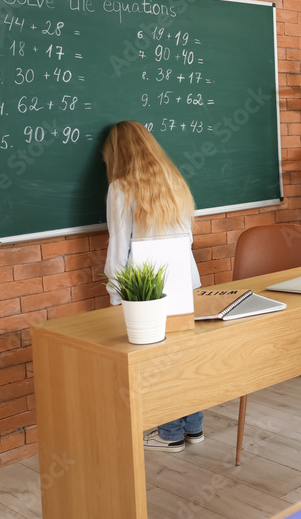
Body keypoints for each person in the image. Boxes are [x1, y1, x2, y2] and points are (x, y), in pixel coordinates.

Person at [103, 120, 204, 453]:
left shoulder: (121, 188)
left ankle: (170, 434)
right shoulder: (175, 181)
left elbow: (119, 245)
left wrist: (116, 293)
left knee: (157, 360)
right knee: (183, 356)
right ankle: (194, 428)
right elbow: (187, 238)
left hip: (148, 289)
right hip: (186, 281)